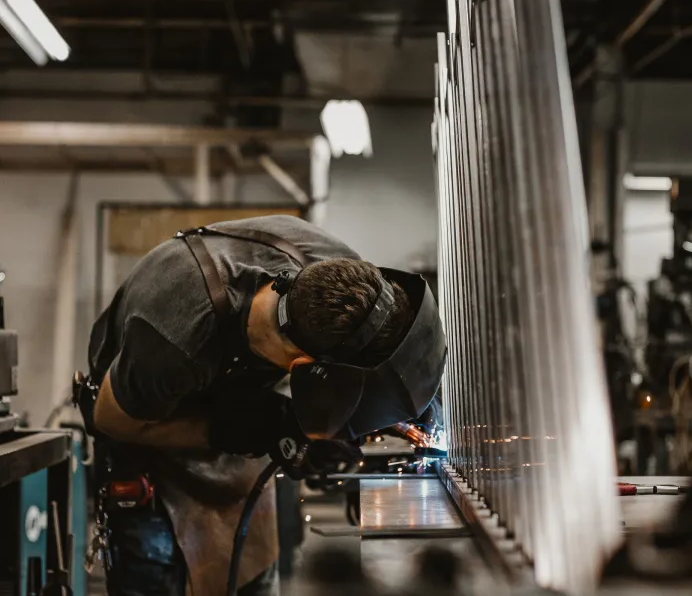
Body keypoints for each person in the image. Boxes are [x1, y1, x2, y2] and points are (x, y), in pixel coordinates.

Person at [79, 215, 445, 596]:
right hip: (147, 445)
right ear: (305, 368)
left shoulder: (339, 277)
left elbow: (375, 345)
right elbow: (111, 419)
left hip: (236, 437)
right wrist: (246, 429)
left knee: (250, 577)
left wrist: (401, 405)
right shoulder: (176, 338)